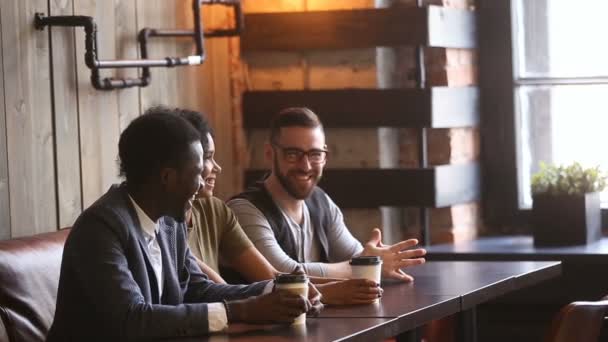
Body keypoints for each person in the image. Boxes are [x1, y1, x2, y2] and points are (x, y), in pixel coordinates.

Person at [46, 107, 321, 342]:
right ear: (167, 177)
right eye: (196, 173)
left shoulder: (169, 222)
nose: (202, 183)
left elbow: (196, 289)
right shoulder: (101, 228)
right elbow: (130, 319)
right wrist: (241, 311)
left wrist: (276, 292)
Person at [181, 110, 383, 305]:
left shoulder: (215, 210)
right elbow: (228, 294)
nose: (217, 167)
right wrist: (358, 270)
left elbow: (273, 277)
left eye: (315, 154)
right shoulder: (240, 209)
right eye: (293, 154)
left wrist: (366, 265)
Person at [228, 107, 426, 281]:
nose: (305, 166)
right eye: (293, 154)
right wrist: (368, 265)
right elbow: (285, 273)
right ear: (270, 155)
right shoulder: (244, 211)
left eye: (315, 155)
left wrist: (379, 258)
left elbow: (357, 256)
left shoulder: (320, 201)